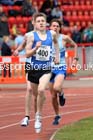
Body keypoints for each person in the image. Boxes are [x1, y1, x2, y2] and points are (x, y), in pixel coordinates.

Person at [25, 12, 59, 133]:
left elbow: (56, 43)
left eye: (43, 21)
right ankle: (36, 116)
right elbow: (27, 53)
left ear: (46, 23)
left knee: (41, 90)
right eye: (38, 21)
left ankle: (39, 116)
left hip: (46, 68)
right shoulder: (32, 37)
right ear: (35, 23)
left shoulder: (52, 34)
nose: (41, 23)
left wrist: (57, 55)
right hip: (34, 69)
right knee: (36, 96)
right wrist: (35, 48)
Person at [49, 19, 78, 125]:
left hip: (61, 67)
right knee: (52, 96)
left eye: (57, 26)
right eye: (53, 26)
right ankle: (57, 115)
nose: (55, 27)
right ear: (50, 27)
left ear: (59, 28)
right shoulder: (46, 39)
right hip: (49, 69)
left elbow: (75, 45)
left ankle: (61, 93)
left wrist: (75, 59)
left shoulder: (64, 38)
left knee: (57, 88)